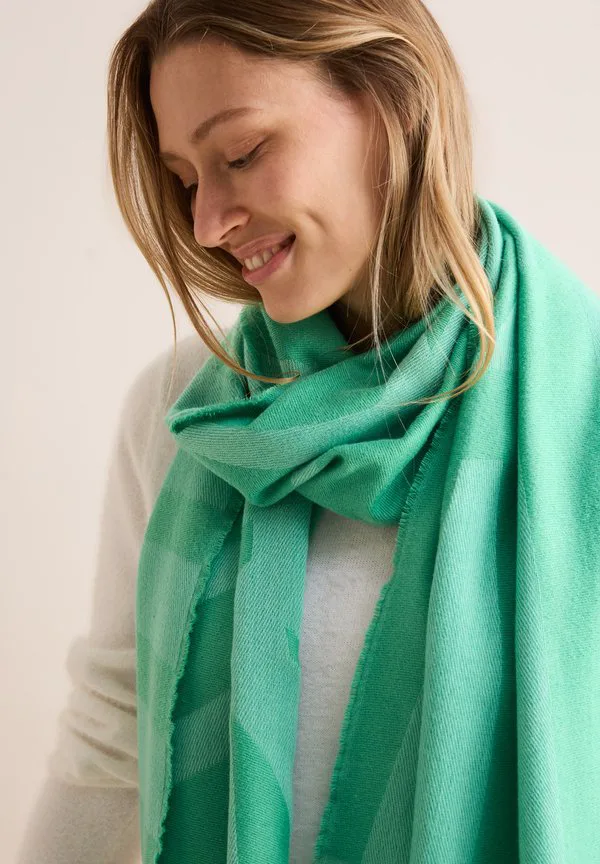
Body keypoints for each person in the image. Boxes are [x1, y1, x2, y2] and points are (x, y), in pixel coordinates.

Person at [17, 1, 600, 863]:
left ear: (391, 99)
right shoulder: (190, 416)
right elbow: (112, 740)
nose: (207, 222)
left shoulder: (576, 409)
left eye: (242, 153)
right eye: (187, 179)